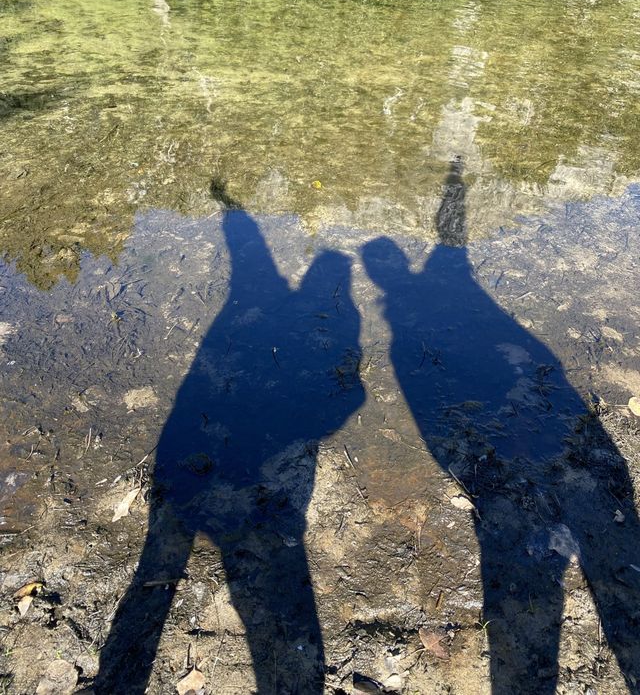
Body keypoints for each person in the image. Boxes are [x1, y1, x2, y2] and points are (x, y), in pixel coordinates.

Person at [363, 160, 640, 693]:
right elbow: (453, 250)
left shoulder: (417, 317)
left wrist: (455, 186)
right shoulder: (442, 294)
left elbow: (452, 250)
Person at [97, 182, 365, 694]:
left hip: (205, 447)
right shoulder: (329, 323)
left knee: (163, 570)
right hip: (267, 462)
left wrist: (229, 209)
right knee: (268, 589)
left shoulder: (262, 305)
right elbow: (346, 396)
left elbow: (253, 265)